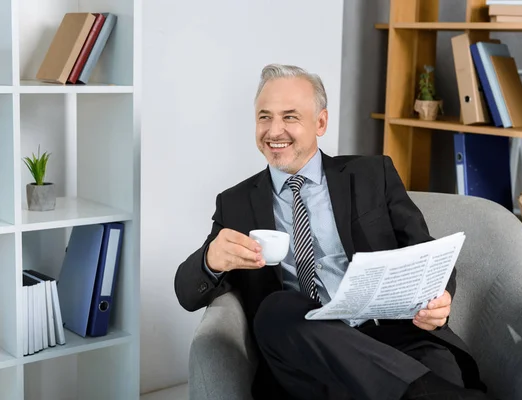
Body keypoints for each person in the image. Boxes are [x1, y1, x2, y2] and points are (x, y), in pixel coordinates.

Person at [174, 64, 494, 400]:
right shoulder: (236, 203)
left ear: (321, 122)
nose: (274, 130)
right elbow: (186, 292)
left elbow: (424, 250)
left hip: (397, 338)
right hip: (306, 354)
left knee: (438, 372)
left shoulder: (372, 174)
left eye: (290, 117)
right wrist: (210, 259)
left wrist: (441, 297)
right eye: (264, 117)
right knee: (275, 310)